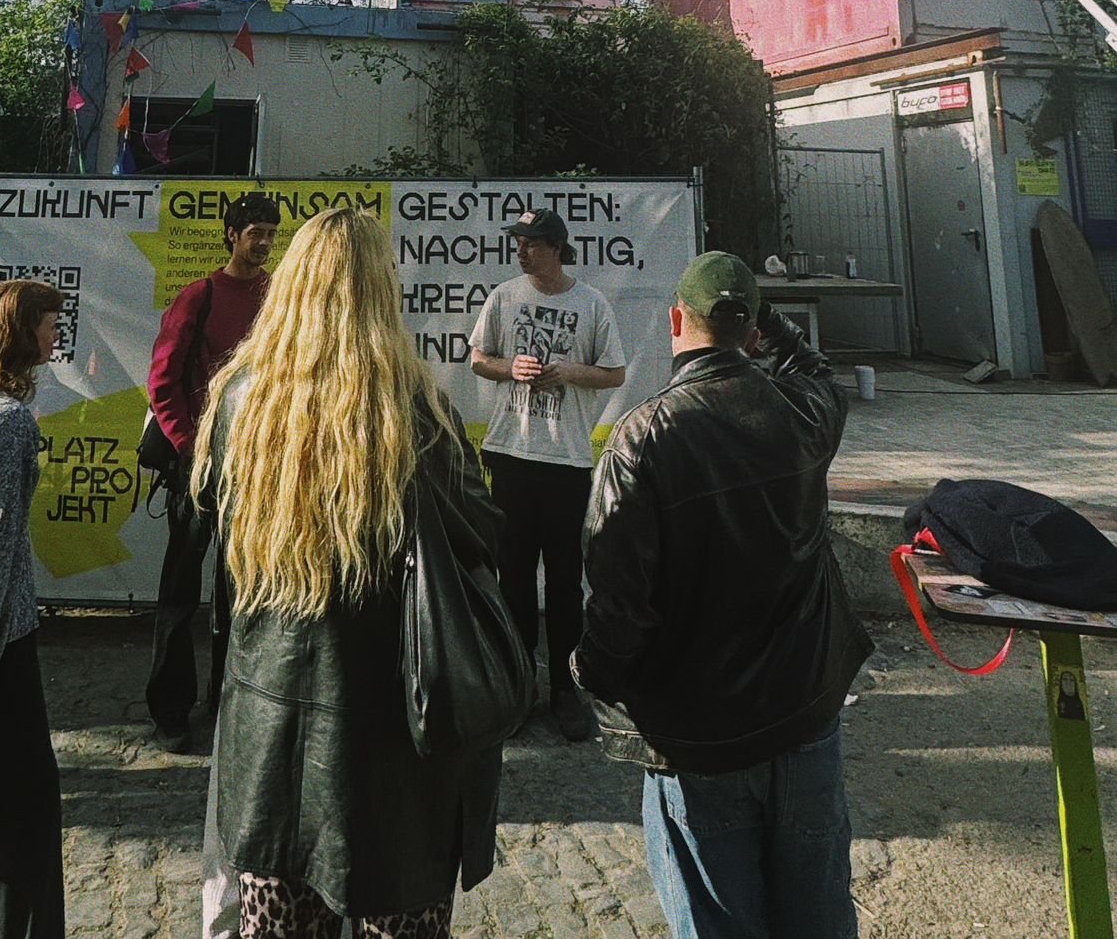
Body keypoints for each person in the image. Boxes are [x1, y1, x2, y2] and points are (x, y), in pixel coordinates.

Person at [192, 204, 504, 939]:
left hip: (268, 734)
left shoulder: (240, 399)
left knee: (277, 921)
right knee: (399, 916)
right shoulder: (414, 409)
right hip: (392, 735)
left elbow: (217, 519)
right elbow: (481, 533)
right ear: (380, 292)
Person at [574, 251, 872, 939]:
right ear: (753, 333)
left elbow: (619, 603)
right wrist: (765, 319)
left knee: (716, 920)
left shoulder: (643, 439)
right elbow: (817, 372)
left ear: (676, 320)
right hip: (803, 712)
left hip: (698, 735)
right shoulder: (804, 411)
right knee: (819, 914)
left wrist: (590, 675)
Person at [469, 205, 625, 741]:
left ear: (557, 247)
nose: (521, 250)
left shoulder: (591, 302)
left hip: (566, 460)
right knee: (512, 578)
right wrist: (508, 367)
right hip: (510, 454)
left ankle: (564, 688)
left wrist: (569, 372)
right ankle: (517, 688)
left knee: (563, 583)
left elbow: (614, 373)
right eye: (517, 242)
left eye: (531, 242)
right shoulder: (504, 297)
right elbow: (477, 359)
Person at [146, 190, 281, 750]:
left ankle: (230, 703)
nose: (265, 242)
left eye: (271, 233)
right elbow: (162, 381)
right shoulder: (198, 296)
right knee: (181, 592)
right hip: (197, 468)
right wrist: (187, 447)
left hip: (255, 465)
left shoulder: (279, 298)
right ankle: (171, 709)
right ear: (231, 235)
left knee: (243, 591)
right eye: (255, 233)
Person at [0, 278, 66, 939]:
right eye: (49, 324)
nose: (57, 335)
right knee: (24, 818)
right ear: (22, 331)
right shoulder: (6, 421)